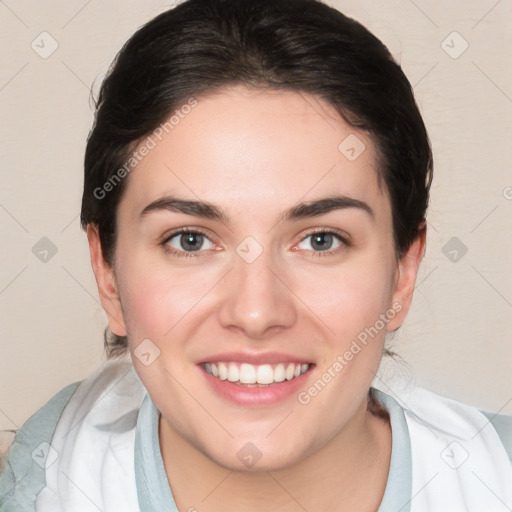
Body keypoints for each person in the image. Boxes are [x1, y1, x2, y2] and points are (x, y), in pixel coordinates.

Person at [1, 0, 510, 510]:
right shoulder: (44, 483)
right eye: (190, 240)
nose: (255, 312)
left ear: (402, 273)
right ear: (107, 273)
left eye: (321, 240)